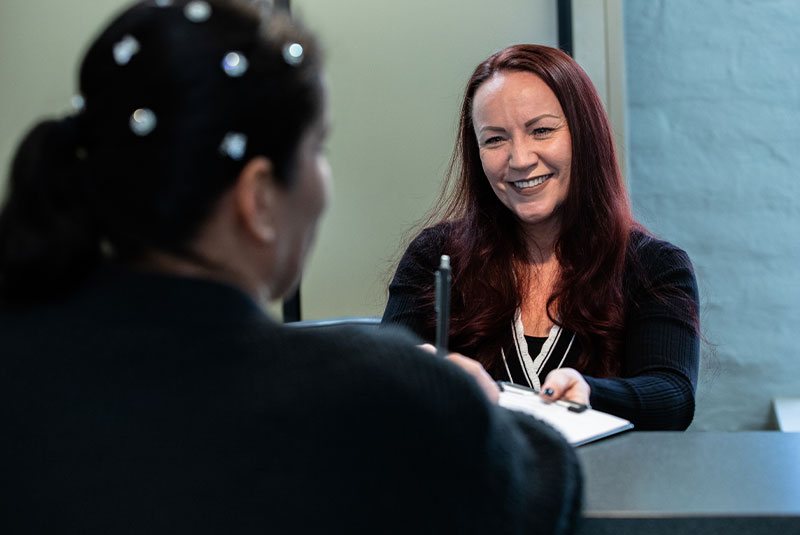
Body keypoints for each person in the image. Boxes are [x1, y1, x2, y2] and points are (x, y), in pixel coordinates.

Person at [0, 3, 583, 533]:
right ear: (258, 198)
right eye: (317, 149)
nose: (519, 158)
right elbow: (544, 483)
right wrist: (458, 403)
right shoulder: (381, 393)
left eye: (541, 130)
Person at [383, 44, 700, 431]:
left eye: (542, 131)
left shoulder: (654, 266)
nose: (520, 159)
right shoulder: (435, 256)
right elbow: (376, 379)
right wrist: (415, 368)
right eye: (495, 139)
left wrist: (590, 394)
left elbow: (673, 397)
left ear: (584, 135)